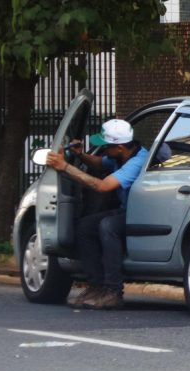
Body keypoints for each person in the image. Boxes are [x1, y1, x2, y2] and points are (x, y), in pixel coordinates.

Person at [46, 119, 149, 310]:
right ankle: (96, 287)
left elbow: (103, 186)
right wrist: (81, 155)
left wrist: (65, 167)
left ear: (119, 147)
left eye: (106, 146)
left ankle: (113, 291)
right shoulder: (122, 155)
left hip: (141, 214)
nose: (103, 150)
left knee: (108, 226)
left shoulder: (137, 162)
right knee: (84, 228)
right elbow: (101, 163)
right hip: (126, 210)